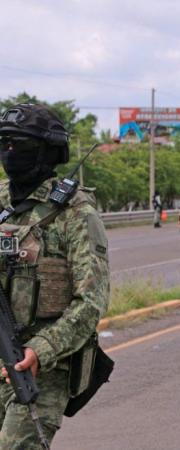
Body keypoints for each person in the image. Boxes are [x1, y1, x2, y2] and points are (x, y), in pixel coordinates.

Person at [0, 104, 110, 449]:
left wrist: (41, 349)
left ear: (48, 150)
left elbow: (91, 301)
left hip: (43, 367)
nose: (9, 152)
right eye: (4, 143)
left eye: (20, 144)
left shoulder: (75, 212)